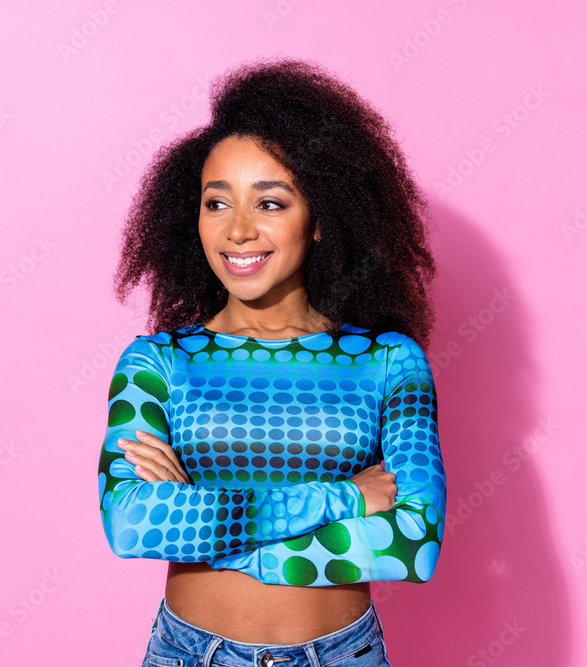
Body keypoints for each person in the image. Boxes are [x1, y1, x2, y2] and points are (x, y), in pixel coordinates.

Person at [97, 56, 445, 667]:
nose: (237, 230)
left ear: (320, 221)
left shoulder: (390, 361)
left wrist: (207, 522)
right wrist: (341, 498)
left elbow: (413, 544)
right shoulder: (157, 362)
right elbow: (131, 522)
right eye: (216, 202)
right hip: (189, 653)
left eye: (271, 204)